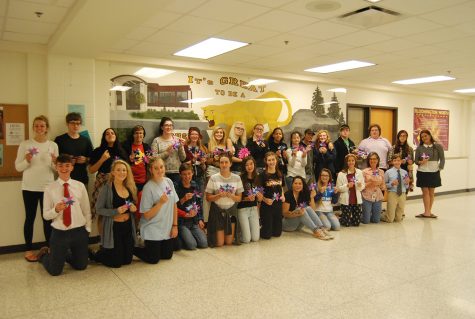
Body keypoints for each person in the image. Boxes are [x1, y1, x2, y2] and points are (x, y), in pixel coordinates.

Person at [36, 154, 91, 276]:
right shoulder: (49, 189)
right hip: (59, 233)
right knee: (55, 271)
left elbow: (86, 210)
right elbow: (45, 215)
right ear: (56, 167)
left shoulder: (80, 186)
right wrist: (55, 210)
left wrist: (87, 229)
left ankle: (63, 255)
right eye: (60, 165)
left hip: (79, 231)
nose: (64, 169)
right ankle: (45, 255)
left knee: (81, 266)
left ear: (72, 167)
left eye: (67, 165)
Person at [15, 115, 59, 262]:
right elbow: (17, 167)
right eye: (37, 126)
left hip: (47, 187)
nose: (39, 128)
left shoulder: (53, 145)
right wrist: (27, 161)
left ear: (46, 128)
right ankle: (28, 249)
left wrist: (54, 163)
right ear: (33, 127)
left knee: (47, 218)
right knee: (30, 218)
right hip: (29, 187)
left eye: (42, 125)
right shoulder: (25, 144)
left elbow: (56, 170)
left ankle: (49, 247)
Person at [90, 160, 138, 268]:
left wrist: (133, 208)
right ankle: (96, 255)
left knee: (127, 261)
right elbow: (98, 209)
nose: (122, 172)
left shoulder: (130, 187)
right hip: (114, 228)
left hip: (127, 227)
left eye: (124, 170)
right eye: (118, 170)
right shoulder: (106, 189)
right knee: (116, 263)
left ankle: (111, 252)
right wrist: (115, 211)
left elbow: (131, 204)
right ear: (113, 172)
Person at [133, 157, 178, 264]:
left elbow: (174, 204)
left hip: (166, 227)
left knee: (167, 256)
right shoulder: (148, 188)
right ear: (151, 170)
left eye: (161, 167)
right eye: (156, 168)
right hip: (152, 227)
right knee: (153, 259)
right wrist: (160, 203)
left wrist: (175, 226)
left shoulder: (169, 182)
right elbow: (147, 215)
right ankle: (132, 248)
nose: (160, 170)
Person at [89, 128, 127, 220]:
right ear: (104, 137)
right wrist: (102, 159)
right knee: (102, 212)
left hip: (118, 183)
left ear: (115, 136)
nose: (110, 135)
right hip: (102, 182)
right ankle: (103, 234)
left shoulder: (122, 151)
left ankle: (112, 233)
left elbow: (126, 169)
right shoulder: (98, 151)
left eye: (112, 133)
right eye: (107, 134)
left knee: (116, 209)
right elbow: (91, 170)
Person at [205, 154, 243, 247]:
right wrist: (218, 196)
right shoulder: (213, 178)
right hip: (218, 211)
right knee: (219, 243)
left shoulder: (237, 178)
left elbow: (239, 198)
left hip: (231, 211)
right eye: (222, 162)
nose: (224, 164)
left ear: (230, 164)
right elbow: (208, 198)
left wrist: (231, 196)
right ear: (219, 164)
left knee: (229, 242)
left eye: (226, 162)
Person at [282, 176, 332, 240]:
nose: (298, 185)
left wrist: (311, 198)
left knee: (307, 208)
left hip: (298, 226)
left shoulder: (303, 194)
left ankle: (321, 228)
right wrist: (297, 214)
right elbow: (284, 213)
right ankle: (316, 231)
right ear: (292, 184)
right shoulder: (288, 194)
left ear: (303, 185)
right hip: (287, 225)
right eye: (295, 183)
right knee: (301, 209)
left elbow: (312, 210)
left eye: (300, 183)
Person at [54, 112, 93, 186]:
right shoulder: (59, 140)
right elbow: (55, 160)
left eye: (78, 123)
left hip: (82, 179)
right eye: (72, 123)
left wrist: (86, 159)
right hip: (64, 180)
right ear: (67, 124)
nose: (75, 126)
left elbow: (93, 159)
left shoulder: (86, 140)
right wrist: (67, 160)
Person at [175, 163, 207, 250]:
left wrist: (200, 219)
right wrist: (183, 200)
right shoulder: (176, 186)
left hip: (193, 221)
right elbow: (173, 206)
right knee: (192, 245)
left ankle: (190, 235)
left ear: (192, 173)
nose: (187, 176)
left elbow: (199, 203)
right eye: (184, 174)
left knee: (204, 243)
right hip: (182, 222)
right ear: (180, 175)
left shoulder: (195, 185)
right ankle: (182, 237)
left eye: (189, 173)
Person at [414, 129, 445, 219]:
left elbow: (442, 159)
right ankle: (427, 212)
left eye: (425, 136)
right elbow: (416, 161)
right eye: (422, 137)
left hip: (434, 172)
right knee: (425, 192)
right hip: (422, 172)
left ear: (430, 135)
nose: (424, 138)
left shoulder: (438, 146)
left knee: (431, 192)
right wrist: (421, 162)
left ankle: (428, 211)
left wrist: (440, 168)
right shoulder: (419, 148)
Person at [151, 117, 186, 186]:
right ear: (162, 127)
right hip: (162, 173)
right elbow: (153, 158)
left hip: (176, 173)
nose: (169, 127)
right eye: (166, 125)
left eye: (170, 125)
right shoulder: (156, 141)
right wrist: (166, 153)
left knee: (175, 195)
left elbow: (183, 158)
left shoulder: (177, 140)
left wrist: (181, 147)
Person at [258, 152, 284, 239]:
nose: (271, 162)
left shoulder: (280, 174)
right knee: (267, 235)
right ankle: (259, 227)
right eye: (269, 160)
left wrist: (283, 195)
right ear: (266, 161)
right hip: (267, 206)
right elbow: (259, 193)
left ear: (276, 161)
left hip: (278, 205)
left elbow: (281, 187)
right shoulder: (262, 175)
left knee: (277, 234)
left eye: (273, 159)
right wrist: (265, 200)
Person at [237, 157, 262, 243]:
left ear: (254, 165)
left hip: (254, 209)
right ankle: (238, 233)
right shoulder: (240, 178)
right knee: (246, 240)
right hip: (242, 209)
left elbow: (261, 198)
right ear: (244, 166)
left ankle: (247, 230)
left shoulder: (258, 178)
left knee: (255, 238)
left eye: (251, 164)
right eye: (246, 165)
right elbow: (237, 198)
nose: (249, 166)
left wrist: (259, 197)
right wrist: (246, 198)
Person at [336, 154, 365, 227]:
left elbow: (363, 186)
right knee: (347, 224)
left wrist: (360, 186)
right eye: (349, 161)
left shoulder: (359, 172)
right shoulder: (341, 174)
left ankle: (347, 217)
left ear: (355, 162)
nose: (351, 162)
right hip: (346, 201)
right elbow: (338, 188)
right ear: (346, 162)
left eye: (353, 160)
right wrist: (347, 186)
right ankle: (341, 218)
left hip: (356, 200)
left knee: (356, 223)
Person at [122, 125, 151, 192]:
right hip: (129, 180)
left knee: (141, 200)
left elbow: (150, 162)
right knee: (131, 201)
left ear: (143, 135)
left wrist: (147, 159)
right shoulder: (126, 146)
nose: (138, 135)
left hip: (143, 180)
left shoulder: (146, 147)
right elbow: (121, 161)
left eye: (140, 133)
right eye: (136, 133)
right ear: (133, 135)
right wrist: (129, 159)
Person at [381, 155, 410, 223]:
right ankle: (382, 213)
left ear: (401, 161)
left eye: (398, 160)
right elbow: (384, 185)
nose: (397, 162)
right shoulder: (388, 172)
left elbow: (406, 186)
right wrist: (391, 184)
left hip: (402, 193)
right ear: (392, 162)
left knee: (398, 219)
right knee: (390, 219)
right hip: (392, 193)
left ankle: (393, 213)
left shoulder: (405, 172)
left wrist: (407, 183)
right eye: (395, 160)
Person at [361, 152, 386, 224]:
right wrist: (370, 183)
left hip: (377, 196)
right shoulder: (364, 171)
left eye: (374, 159)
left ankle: (373, 214)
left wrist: (383, 186)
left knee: (376, 221)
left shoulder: (381, 171)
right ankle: (361, 215)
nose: (373, 160)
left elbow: (383, 185)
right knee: (366, 221)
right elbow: (361, 186)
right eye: (371, 159)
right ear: (368, 160)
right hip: (366, 196)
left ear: (378, 160)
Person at [184, 127, 208, 195]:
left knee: (199, 198)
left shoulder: (202, 148)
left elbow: (204, 168)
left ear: (199, 136)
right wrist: (193, 160)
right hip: (188, 178)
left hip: (200, 178)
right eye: (192, 134)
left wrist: (203, 163)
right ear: (189, 135)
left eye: (196, 134)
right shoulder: (184, 148)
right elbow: (182, 164)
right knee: (189, 198)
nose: (194, 136)